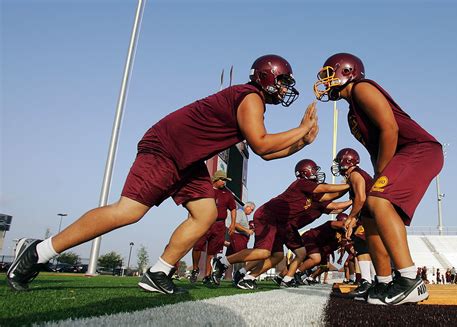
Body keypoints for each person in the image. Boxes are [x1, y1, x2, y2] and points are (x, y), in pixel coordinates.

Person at [7, 54, 318, 294]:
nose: (285, 88)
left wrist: (301, 141)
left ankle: (159, 272)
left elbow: (265, 152)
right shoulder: (250, 97)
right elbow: (263, 144)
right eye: (283, 81)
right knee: (127, 211)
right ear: (267, 77)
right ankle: (39, 251)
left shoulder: (250, 99)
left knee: (205, 212)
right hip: (166, 148)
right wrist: (300, 130)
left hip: (186, 157)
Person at [314, 53, 443, 305]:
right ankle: (383, 281)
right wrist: (378, 176)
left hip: (420, 149)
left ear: (346, 71)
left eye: (329, 74)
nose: (325, 81)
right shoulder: (353, 114)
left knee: (379, 202)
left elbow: (390, 128)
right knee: (370, 213)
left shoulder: (362, 88)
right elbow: (375, 149)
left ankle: (409, 279)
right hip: (403, 155)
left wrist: (383, 173)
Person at [211, 159, 351, 289]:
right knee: (263, 252)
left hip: (279, 222)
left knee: (277, 256)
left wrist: (352, 195)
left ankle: (248, 277)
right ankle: (223, 262)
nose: (316, 173)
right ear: (305, 172)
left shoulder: (311, 195)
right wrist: (350, 184)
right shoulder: (301, 183)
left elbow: (333, 200)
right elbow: (326, 191)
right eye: (313, 170)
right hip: (267, 216)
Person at [331, 148, 374, 300]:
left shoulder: (355, 174)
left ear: (346, 161)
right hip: (369, 213)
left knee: (362, 245)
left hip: (371, 213)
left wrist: (351, 217)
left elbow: (361, 198)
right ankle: (370, 280)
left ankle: (368, 282)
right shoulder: (354, 175)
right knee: (363, 245)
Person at [189, 170, 236, 287]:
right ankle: (195, 268)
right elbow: (194, 203)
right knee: (197, 246)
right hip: (204, 221)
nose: (224, 182)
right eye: (222, 180)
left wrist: (233, 223)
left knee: (212, 251)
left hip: (219, 224)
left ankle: (207, 276)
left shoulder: (227, 193)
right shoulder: (206, 189)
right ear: (216, 180)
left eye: (225, 180)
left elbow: (233, 208)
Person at [226, 201, 256, 283]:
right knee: (240, 257)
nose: (251, 212)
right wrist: (247, 230)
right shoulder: (240, 212)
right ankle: (238, 277)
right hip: (238, 237)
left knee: (229, 257)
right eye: (252, 209)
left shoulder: (244, 215)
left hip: (240, 237)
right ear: (247, 207)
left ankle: (218, 272)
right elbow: (235, 224)